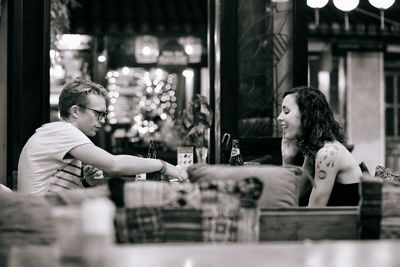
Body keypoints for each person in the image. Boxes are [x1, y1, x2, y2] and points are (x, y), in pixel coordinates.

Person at [18, 78, 187, 194]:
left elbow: (55, 188)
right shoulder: (63, 132)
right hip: (41, 219)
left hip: (45, 214)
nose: (102, 121)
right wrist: (163, 165)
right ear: (76, 111)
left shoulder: (60, 134)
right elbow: (114, 165)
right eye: (98, 114)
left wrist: (85, 183)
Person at [277, 86, 362, 207]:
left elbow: (314, 212)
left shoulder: (327, 154)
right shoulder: (316, 151)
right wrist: (287, 158)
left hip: (346, 224)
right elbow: (291, 199)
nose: (279, 117)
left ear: (307, 114)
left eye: (286, 111)